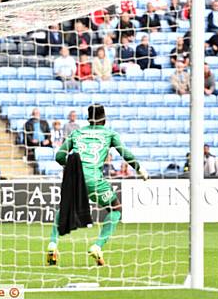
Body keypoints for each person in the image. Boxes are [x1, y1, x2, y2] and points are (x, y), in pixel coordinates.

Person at [47, 104, 148, 266]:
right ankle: (97, 246)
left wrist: (72, 166)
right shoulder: (109, 134)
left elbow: (59, 156)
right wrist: (139, 168)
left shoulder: (77, 132)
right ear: (104, 119)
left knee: (64, 207)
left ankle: (52, 244)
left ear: (88, 119)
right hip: (94, 179)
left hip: (75, 177)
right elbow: (125, 153)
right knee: (115, 208)